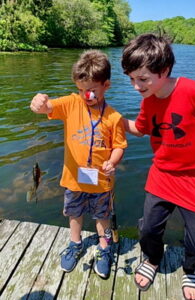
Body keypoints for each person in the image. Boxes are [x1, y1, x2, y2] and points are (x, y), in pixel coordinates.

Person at [121, 33, 195, 300]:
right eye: (131, 79)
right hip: (163, 175)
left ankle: (190, 269)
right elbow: (140, 129)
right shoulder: (148, 99)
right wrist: (108, 118)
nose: (136, 86)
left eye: (142, 79)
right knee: (149, 229)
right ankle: (152, 260)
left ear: (164, 70)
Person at [30, 50, 127, 279]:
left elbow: (120, 146)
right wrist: (40, 103)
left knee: (102, 217)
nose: (85, 95)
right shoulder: (72, 103)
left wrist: (113, 162)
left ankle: (104, 249)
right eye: (81, 89)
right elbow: (49, 108)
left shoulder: (113, 117)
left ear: (107, 85)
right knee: (74, 214)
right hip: (74, 179)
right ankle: (75, 243)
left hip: (102, 182)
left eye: (91, 90)